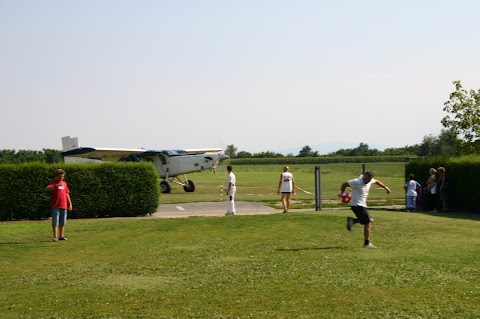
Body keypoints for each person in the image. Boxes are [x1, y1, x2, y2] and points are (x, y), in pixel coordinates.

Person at [339, 171, 391, 248]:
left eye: (368, 179)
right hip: (357, 205)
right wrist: (342, 193)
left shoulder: (371, 180)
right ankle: (367, 243)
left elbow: (376, 181)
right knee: (368, 223)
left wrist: (385, 187)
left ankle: (353, 221)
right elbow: (344, 184)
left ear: (370, 179)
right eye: (365, 178)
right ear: (363, 176)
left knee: (370, 220)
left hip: (362, 205)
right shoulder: (357, 181)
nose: (366, 180)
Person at [45, 168, 72, 242]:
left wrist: (70, 204)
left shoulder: (64, 183)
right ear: (57, 176)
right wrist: (55, 185)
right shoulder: (53, 183)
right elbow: (46, 189)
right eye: (60, 176)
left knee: (63, 221)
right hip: (55, 205)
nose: (61, 178)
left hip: (64, 205)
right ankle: (55, 237)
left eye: (63, 176)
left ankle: (62, 236)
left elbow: (67, 194)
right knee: (55, 221)